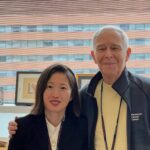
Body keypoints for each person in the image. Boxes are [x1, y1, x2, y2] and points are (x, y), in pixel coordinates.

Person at [8, 26, 150, 150]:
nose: (108, 54)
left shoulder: (146, 91)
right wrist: (20, 128)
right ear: (94, 56)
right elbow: (54, 118)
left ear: (128, 53)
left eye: (115, 47)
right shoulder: (84, 96)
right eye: (101, 48)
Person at [8, 63, 88, 150]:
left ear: (72, 95)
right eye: (50, 86)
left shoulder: (81, 127)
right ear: (41, 90)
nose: (55, 94)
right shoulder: (22, 126)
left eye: (63, 88)